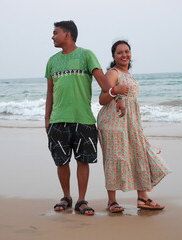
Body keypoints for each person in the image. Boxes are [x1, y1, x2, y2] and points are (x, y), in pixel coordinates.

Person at [44, 21, 127, 215]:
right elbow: (50, 92)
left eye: (55, 33)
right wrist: (47, 119)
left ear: (67, 34)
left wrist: (118, 98)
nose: (52, 36)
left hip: (84, 120)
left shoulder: (86, 55)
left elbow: (103, 82)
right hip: (58, 120)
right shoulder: (52, 61)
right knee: (61, 162)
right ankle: (66, 196)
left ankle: (81, 200)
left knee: (83, 161)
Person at [97, 40, 171, 213]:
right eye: (120, 52)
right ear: (113, 56)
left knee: (140, 155)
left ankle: (143, 198)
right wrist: (115, 91)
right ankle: (112, 202)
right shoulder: (113, 73)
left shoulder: (128, 75)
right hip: (112, 122)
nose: (124, 55)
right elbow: (102, 99)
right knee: (114, 159)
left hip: (131, 122)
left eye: (127, 51)